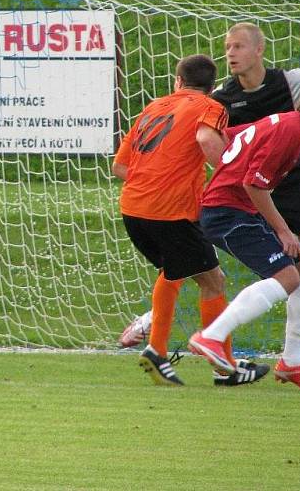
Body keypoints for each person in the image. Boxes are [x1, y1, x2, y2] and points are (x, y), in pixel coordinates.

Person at [122, 22, 300, 367]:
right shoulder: (220, 99)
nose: (230, 54)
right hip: (250, 188)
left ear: (259, 49)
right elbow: (210, 139)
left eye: (237, 46)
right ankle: (173, 329)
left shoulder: (289, 82)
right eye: (227, 48)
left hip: (292, 183)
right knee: (210, 260)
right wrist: (230, 172)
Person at [113, 54, 269, 387]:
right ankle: (219, 365)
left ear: (178, 81)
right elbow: (205, 139)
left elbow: (120, 166)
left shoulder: (153, 107)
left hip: (132, 209)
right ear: (211, 87)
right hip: (169, 211)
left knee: (173, 271)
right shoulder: (211, 107)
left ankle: (170, 351)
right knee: (214, 282)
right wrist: (232, 179)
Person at [189, 74, 300, 392]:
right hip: (226, 212)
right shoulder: (289, 132)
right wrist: (285, 231)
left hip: (239, 210)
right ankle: (212, 337)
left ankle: (292, 363)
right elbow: (253, 184)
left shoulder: (285, 123)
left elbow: (233, 139)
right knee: (288, 277)